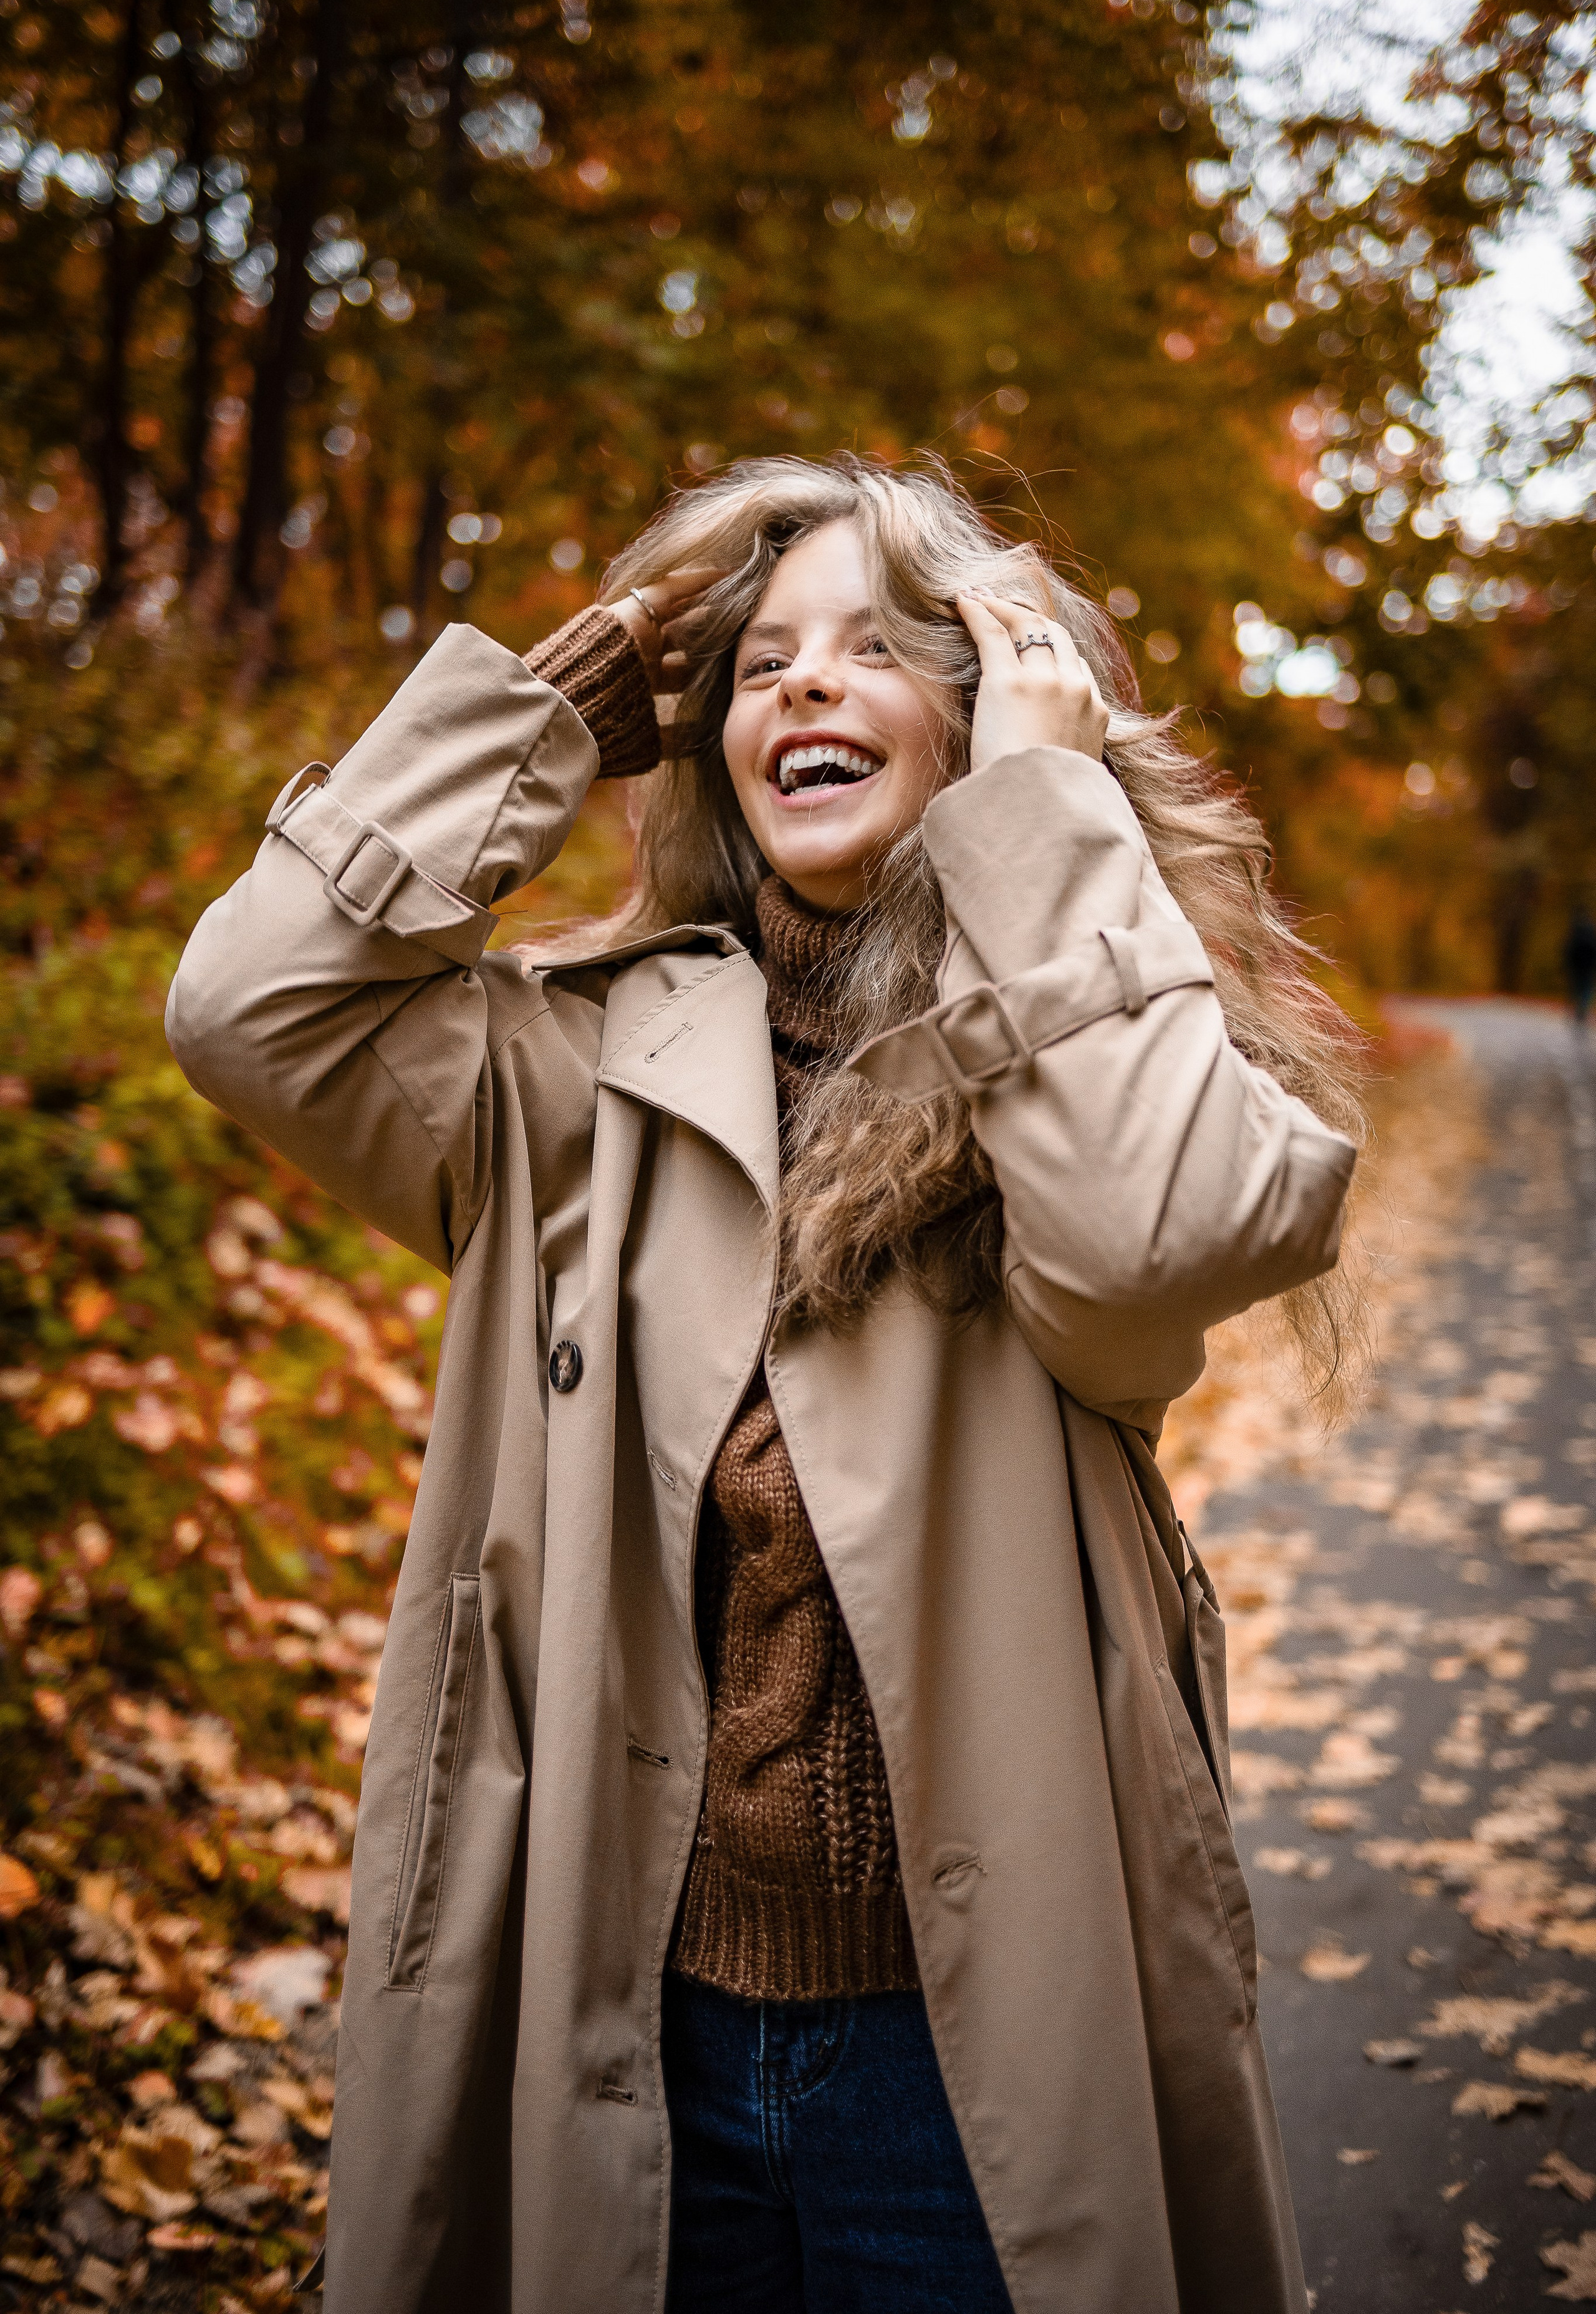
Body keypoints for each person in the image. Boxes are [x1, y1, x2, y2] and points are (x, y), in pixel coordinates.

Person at [166, 454, 1362, 2314]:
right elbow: (248, 1010)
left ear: (989, 719)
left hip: (965, 2058)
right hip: (623, 2016)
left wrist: (1047, 817)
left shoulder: (1069, 1068)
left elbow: (1157, 1238)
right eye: (756, 662)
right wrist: (539, 720)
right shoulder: (574, 1077)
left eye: (880, 646)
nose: (798, 683)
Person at [1565, 906, 1596, 1024]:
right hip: (1588, 967)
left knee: (1577, 988)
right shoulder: (1591, 933)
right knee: (1586, 989)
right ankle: (1583, 1008)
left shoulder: (1576, 932)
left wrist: (1568, 965)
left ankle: (1578, 1008)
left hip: (1576, 966)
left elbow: (1569, 950)